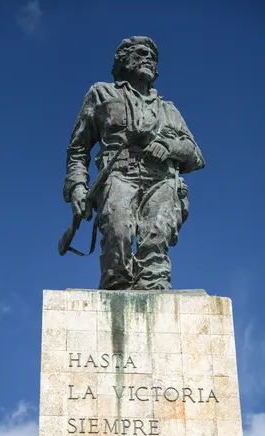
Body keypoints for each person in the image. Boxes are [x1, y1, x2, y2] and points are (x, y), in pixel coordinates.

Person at [63, 36, 205, 290]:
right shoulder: (101, 94)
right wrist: (77, 187)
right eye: (141, 53)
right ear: (124, 60)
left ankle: (154, 293)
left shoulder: (169, 110)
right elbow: (78, 148)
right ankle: (116, 291)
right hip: (118, 176)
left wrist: (169, 146)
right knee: (118, 233)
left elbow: (195, 155)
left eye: (153, 56)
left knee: (156, 239)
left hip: (161, 180)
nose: (149, 58)